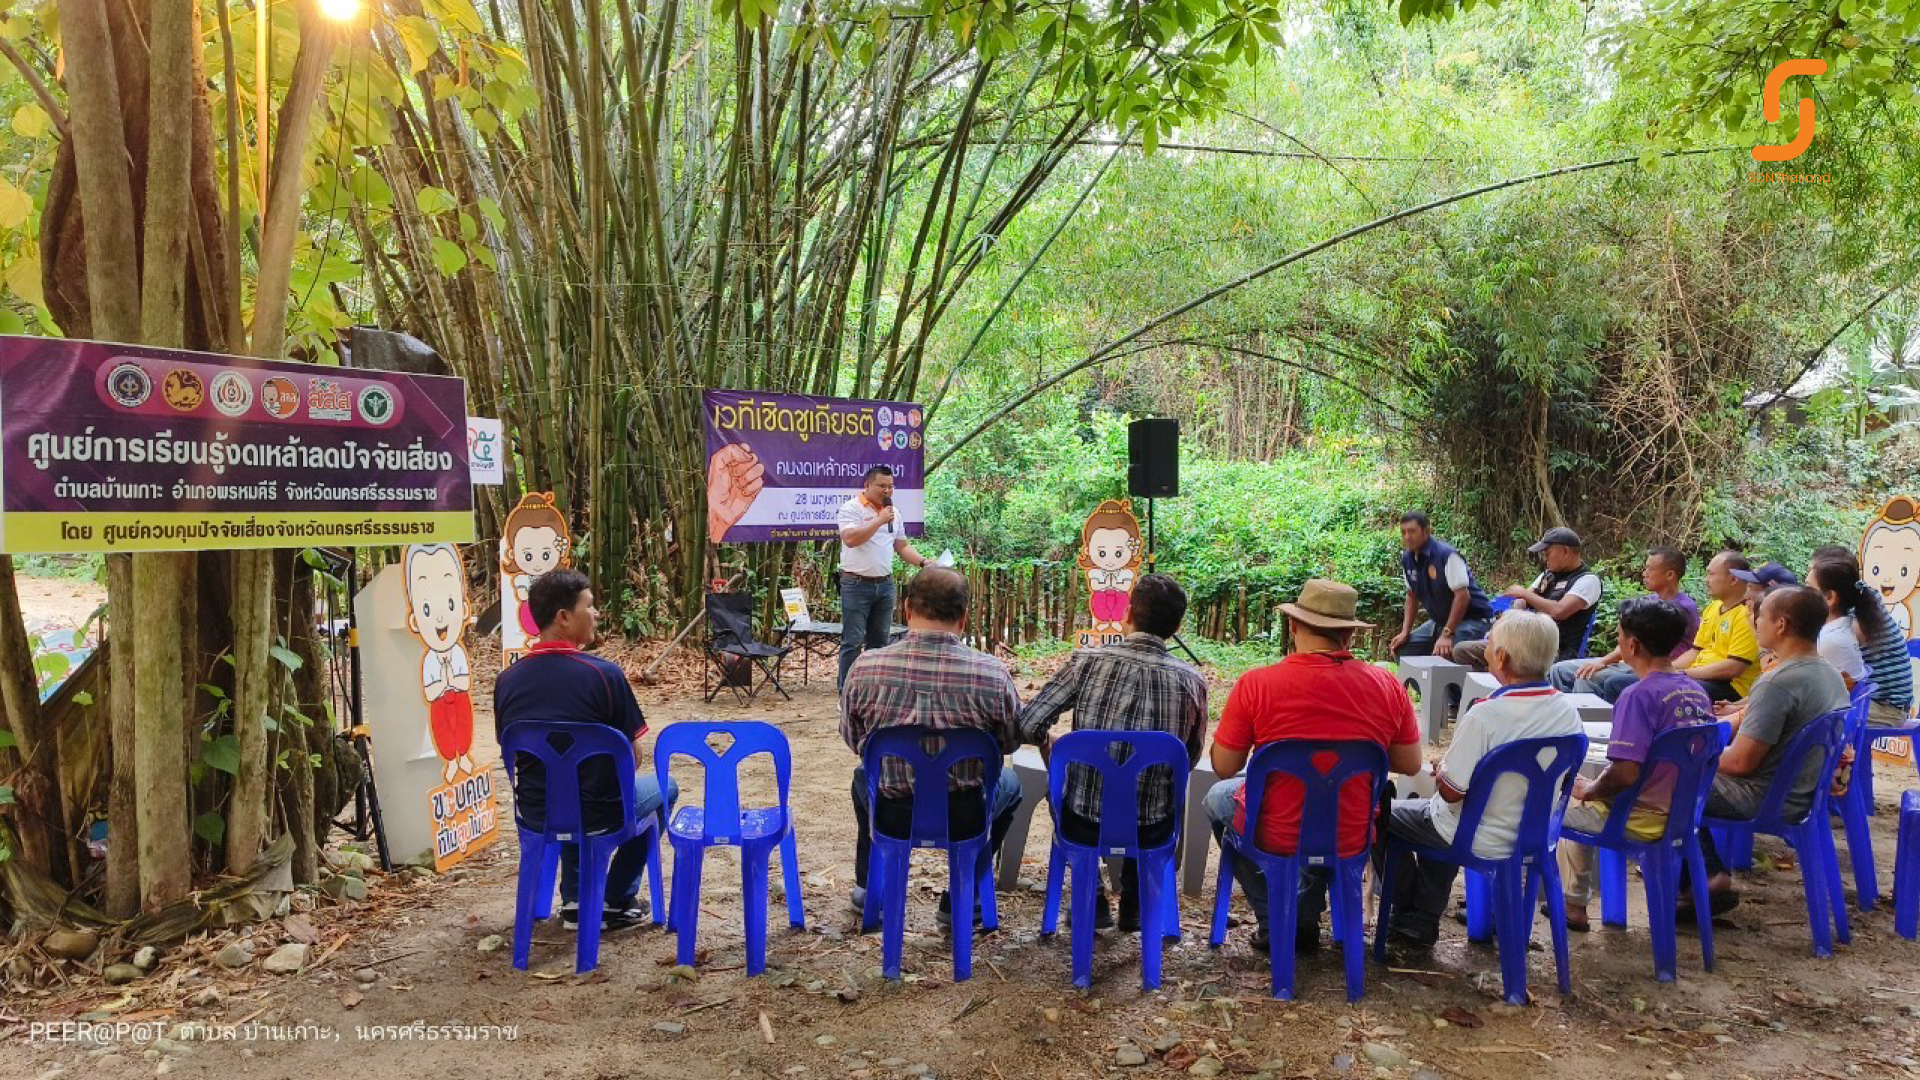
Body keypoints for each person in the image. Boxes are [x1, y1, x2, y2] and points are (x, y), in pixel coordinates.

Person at [1205, 579, 1422, 953]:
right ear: (1350, 634)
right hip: (1350, 829)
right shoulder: (1387, 685)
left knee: (1217, 798)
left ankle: (1279, 918)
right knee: (1325, 815)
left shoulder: (1256, 684)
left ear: (1293, 626)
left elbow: (1225, 765)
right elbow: (1409, 762)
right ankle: (1301, 911)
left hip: (1277, 830)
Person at [1373, 611, 1582, 949]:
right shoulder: (1567, 711)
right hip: (1534, 835)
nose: (1485, 649)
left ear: (1501, 657)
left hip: (1477, 834)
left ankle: (1413, 912)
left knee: (1379, 812)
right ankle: (1420, 919)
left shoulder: (1484, 715)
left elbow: (1452, 792)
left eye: (1490, 643)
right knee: (1431, 813)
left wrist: (1442, 769)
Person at [1018, 574, 1208, 931]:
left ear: (1128, 613)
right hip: (1152, 827)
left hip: (1084, 821)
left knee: (1062, 789)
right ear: (1177, 626)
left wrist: (1054, 750)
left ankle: (1092, 897)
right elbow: (1190, 758)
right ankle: (1136, 898)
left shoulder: (1086, 663)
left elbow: (1029, 724)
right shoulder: (1191, 682)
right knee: (1152, 794)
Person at [495, 569, 678, 931]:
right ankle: (617, 898)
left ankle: (577, 897)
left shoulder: (507, 681)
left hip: (535, 813)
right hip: (602, 814)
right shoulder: (603, 674)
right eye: (590, 606)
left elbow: (511, 749)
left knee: (564, 786)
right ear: (564, 617)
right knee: (665, 787)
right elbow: (632, 757)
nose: (596, 614)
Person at [840, 567, 1022, 926]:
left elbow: (854, 738)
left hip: (894, 813)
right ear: (964, 617)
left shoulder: (865, 667)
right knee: (1011, 787)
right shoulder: (992, 673)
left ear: (907, 609)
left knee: (864, 778)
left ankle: (869, 888)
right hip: (965, 814)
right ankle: (963, 895)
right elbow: (1010, 741)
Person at [1686, 587, 1850, 916]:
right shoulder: (1829, 673)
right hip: (1802, 791)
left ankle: (1703, 877)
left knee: (1669, 780)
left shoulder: (1777, 683)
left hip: (1765, 796)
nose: (1754, 622)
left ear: (1782, 625)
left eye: (1760, 617)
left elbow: (1741, 762)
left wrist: (1687, 758)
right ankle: (1702, 874)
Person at [1555, 598, 1713, 931]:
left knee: (1561, 803)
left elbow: (1625, 773)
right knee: (1585, 792)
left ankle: (1572, 906)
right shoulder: (1696, 691)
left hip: (1639, 819)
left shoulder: (1637, 695)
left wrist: (1591, 790)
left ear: (1632, 644)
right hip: (1683, 817)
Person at [1550, 547, 1700, 703]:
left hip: (1651, 666)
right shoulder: (1650, 600)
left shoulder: (1680, 609)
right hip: (1629, 660)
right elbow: (1628, 638)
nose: (1644, 573)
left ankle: (1589, 722)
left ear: (1670, 575)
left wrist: (1603, 662)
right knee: (1559, 670)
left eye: (1650, 569)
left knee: (1586, 677)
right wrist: (1604, 660)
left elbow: (1638, 643)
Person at [837, 465, 934, 690]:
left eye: (890, 486)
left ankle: (872, 690)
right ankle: (847, 692)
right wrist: (879, 520)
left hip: (885, 585)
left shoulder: (894, 513)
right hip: (856, 584)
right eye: (882, 486)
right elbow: (850, 538)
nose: (887, 491)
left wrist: (923, 562)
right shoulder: (851, 508)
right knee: (852, 641)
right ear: (867, 485)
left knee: (879, 642)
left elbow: (902, 547)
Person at [1451, 527, 1601, 671]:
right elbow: (1522, 600)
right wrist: (1511, 619)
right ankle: (1494, 687)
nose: (1544, 558)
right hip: (1524, 641)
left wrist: (1524, 594)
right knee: (1462, 651)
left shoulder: (1588, 581)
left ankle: (1509, 685)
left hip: (1552, 650)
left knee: (1503, 659)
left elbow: (1559, 611)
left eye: (1547, 553)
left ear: (1565, 551)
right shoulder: (1548, 575)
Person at [1809, 555, 1914, 723]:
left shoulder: (1851, 624)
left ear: (1830, 596)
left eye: (1810, 588)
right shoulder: (1861, 607)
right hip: (1880, 702)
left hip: (1886, 709)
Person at [1387, 511, 1495, 660]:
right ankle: (1417, 684)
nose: (1407, 537)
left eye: (1412, 531)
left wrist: (1447, 634)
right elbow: (1411, 597)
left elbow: (1462, 596)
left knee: (1452, 652)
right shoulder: (1407, 559)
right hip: (1439, 622)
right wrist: (1405, 631)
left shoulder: (1447, 555)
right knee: (1403, 650)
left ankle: (1454, 684)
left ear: (1426, 531)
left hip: (1474, 620)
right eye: (1403, 532)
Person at [1678, 552, 1760, 703]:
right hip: (1699, 676)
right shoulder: (1713, 607)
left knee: (1671, 693)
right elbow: (1695, 651)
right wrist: (1666, 670)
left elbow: (1733, 668)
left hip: (1730, 686)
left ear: (1733, 579)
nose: (1706, 580)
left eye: (1711, 574)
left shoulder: (1746, 615)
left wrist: (1683, 674)